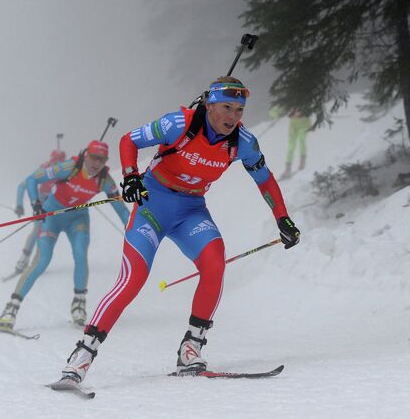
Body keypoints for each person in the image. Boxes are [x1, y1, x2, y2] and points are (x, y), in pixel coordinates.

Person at [54, 76, 301, 385]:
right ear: (210, 105)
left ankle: (191, 349)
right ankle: (82, 356)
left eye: (239, 110)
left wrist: (282, 218)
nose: (233, 117)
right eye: (226, 107)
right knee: (133, 280)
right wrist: (131, 176)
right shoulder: (178, 123)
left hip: (191, 211)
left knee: (214, 263)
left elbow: (264, 178)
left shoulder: (243, 142)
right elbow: (129, 140)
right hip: (152, 208)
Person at [0, 140, 130, 328]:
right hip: (52, 216)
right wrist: (36, 204)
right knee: (42, 261)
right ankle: (11, 308)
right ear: (86, 155)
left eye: (102, 159)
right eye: (94, 157)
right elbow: (31, 179)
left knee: (80, 255)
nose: (97, 163)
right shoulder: (68, 168)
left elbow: (120, 207)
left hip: (77, 219)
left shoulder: (104, 180)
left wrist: (130, 226)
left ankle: (78, 303)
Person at [12, 149, 67, 275]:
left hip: (57, 201)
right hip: (42, 200)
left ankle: (37, 260)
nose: (56, 166)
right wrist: (19, 205)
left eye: (59, 163)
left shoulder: (66, 171)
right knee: (38, 229)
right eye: (54, 162)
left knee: (49, 231)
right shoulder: (44, 169)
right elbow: (22, 185)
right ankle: (24, 259)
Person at [278, 108, 312, 180]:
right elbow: (280, 109)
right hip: (293, 125)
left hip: (304, 124)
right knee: (291, 147)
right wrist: (278, 114)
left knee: (301, 140)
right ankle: (288, 169)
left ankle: (302, 164)